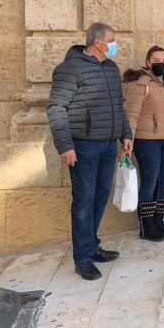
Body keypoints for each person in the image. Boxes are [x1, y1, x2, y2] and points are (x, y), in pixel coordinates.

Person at [47, 22, 133, 281]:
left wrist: (125, 134)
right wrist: (65, 146)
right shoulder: (69, 68)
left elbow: (119, 105)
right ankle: (82, 258)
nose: (115, 44)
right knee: (84, 200)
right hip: (83, 145)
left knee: (100, 196)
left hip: (108, 144)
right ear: (98, 41)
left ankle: (92, 245)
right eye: (113, 39)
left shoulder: (110, 67)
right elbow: (56, 108)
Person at [123, 46, 164, 242]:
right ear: (148, 62)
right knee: (150, 182)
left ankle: (158, 220)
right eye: (157, 59)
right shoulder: (140, 84)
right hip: (147, 140)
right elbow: (131, 115)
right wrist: (128, 141)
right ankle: (147, 226)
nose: (161, 63)